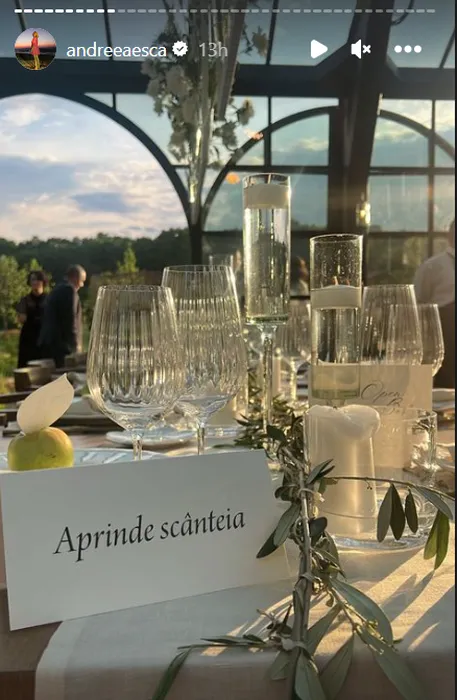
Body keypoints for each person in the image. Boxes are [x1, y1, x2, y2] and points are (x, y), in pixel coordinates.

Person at [414, 219, 455, 388]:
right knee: (445, 383)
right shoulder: (432, 266)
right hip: (444, 329)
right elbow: (419, 301)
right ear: (450, 235)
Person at [39, 265, 86, 368]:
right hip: (61, 347)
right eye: (82, 281)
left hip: (49, 343)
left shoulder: (56, 290)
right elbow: (71, 320)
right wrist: (76, 346)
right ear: (75, 278)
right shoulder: (70, 291)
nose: (82, 285)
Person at [15, 270, 48, 368]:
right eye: (32, 280)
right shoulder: (25, 300)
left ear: (43, 281)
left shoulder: (49, 299)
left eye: (37, 279)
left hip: (44, 337)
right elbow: (21, 319)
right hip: (28, 337)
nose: (35, 282)